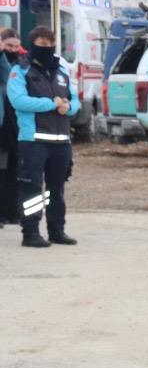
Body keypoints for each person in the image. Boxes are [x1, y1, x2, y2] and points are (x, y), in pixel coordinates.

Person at [7, 26, 78, 247]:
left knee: (56, 189)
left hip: (61, 141)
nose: (46, 47)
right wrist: (51, 104)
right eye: (41, 43)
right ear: (32, 44)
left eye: (49, 44)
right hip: (33, 141)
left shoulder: (61, 71)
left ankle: (57, 230)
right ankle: (31, 233)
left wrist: (69, 107)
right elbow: (18, 100)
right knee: (32, 189)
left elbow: (75, 100)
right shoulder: (20, 69)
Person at [0, 28, 21, 225]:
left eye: (16, 46)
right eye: (9, 46)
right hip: (3, 126)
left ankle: (12, 210)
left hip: (15, 126)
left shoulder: (22, 64)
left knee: (13, 170)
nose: (13, 49)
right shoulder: (4, 63)